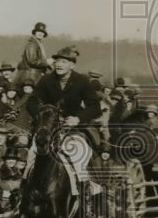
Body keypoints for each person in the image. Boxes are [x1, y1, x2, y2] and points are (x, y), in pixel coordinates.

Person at [26, 45, 102, 192]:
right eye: (57, 61)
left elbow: (94, 106)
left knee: (80, 151)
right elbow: (32, 101)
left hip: (72, 129)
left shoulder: (82, 81)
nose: (59, 64)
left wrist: (78, 118)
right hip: (48, 128)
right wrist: (42, 115)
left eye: (64, 62)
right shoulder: (46, 80)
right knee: (32, 153)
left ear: (72, 65)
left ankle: (85, 188)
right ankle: (24, 187)